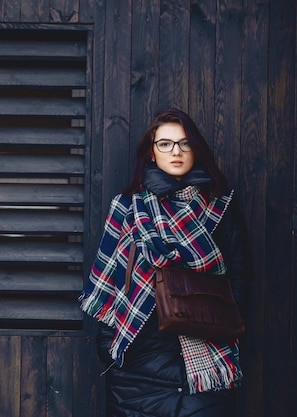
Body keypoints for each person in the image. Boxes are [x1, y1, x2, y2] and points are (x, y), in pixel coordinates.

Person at [79, 108, 250, 416]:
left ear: (196, 150)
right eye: (165, 144)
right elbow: (108, 279)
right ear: (151, 153)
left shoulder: (220, 204)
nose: (176, 152)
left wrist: (223, 325)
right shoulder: (127, 206)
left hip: (203, 358)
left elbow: (240, 273)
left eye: (185, 144)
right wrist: (109, 343)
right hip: (137, 359)